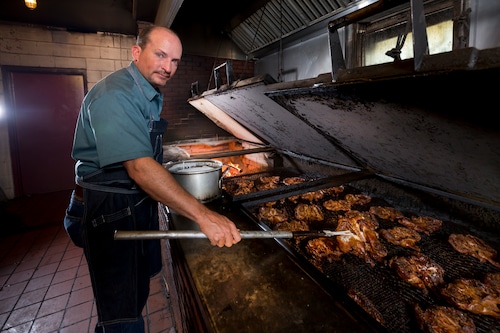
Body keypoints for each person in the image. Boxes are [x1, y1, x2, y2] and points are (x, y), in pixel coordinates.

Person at [63, 25, 241, 333]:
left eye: (175, 61)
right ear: (136, 52)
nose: (169, 67)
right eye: (161, 55)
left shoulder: (146, 92)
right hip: (109, 209)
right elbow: (140, 169)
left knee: (134, 293)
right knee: (122, 314)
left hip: (129, 204)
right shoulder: (115, 94)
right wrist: (204, 216)